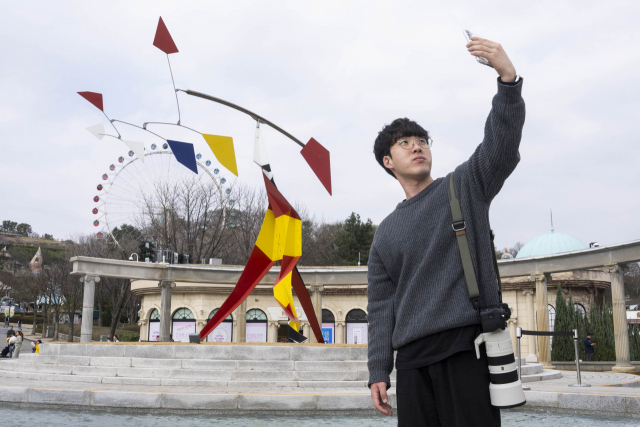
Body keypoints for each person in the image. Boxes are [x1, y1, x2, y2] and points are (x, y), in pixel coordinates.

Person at [367, 36, 524, 427]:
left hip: (465, 347)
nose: (417, 147)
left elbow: (500, 148)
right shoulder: (385, 233)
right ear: (388, 161)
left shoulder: (464, 186)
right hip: (413, 361)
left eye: (422, 141)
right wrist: (378, 370)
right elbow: (381, 307)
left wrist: (507, 82)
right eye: (405, 143)